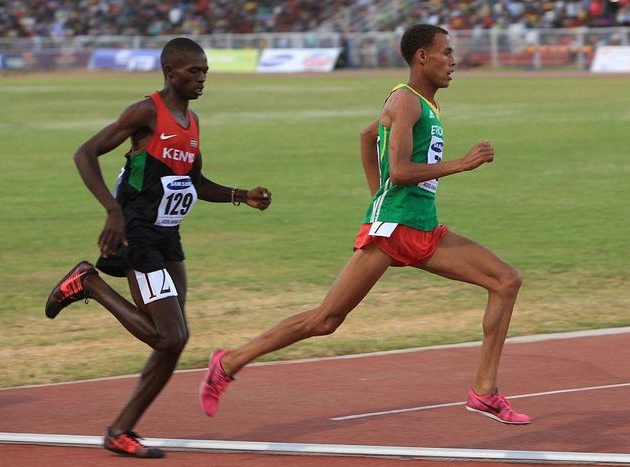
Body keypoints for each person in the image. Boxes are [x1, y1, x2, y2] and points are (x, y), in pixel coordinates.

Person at [199, 24, 530, 425]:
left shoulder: (423, 104)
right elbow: (403, 169)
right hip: (392, 231)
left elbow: (365, 136)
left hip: (422, 229)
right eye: (446, 52)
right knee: (325, 320)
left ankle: (484, 392)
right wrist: (462, 163)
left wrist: (379, 195)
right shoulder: (405, 101)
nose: (453, 61)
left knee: (505, 281)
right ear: (421, 57)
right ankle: (228, 362)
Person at [44, 37, 272, 458]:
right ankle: (89, 283)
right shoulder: (147, 111)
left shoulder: (193, 120)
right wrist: (113, 210)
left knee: (175, 340)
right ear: (171, 72)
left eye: (205, 71)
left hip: (168, 236)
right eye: (194, 71)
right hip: (137, 234)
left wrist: (243, 195)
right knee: (170, 337)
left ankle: (121, 430)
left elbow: (195, 183)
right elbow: (85, 153)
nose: (202, 78)